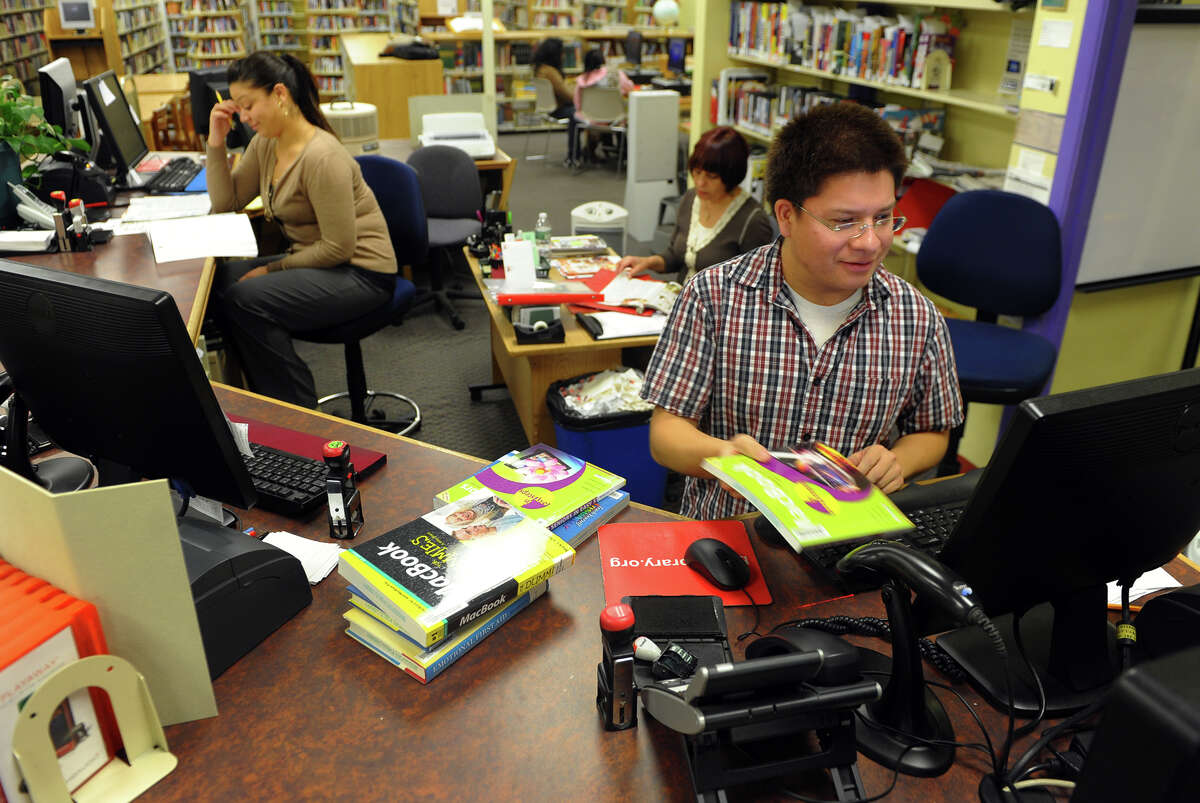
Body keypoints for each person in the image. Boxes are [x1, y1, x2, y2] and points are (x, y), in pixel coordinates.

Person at [640, 104, 964, 520]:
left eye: (883, 217)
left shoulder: (915, 317)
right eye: (845, 222)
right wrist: (722, 454)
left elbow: (933, 429)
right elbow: (666, 434)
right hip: (731, 529)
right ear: (787, 216)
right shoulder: (713, 296)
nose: (869, 242)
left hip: (850, 532)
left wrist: (897, 460)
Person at [206, 51, 397, 409]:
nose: (243, 117)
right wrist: (215, 143)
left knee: (246, 301)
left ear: (279, 94)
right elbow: (226, 202)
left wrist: (270, 269)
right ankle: (261, 400)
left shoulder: (322, 156)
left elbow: (338, 247)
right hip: (317, 261)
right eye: (238, 108)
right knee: (220, 281)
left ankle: (299, 414)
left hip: (363, 273)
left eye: (249, 106)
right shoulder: (267, 143)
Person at [618, 127, 774, 285]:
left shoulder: (752, 221)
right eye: (697, 172)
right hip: (682, 299)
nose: (700, 183)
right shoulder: (692, 198)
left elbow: (754, 289)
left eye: (711, 177)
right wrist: (646, 261)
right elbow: (675, 257)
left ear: (731, 176)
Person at [568, 48, 634, 168]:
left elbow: (577, 105)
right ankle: (623, 155)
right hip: (614, 119)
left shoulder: (582, 80)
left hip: (590, 119)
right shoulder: (615, 74)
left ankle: (573, 157)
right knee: (622, 117)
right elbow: (629, 88)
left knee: (573, 119)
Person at [531, 37, 574, 121]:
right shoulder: (551, 73)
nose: (564, 56)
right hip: (558, 110)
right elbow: (568, 96)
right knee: (587, 111)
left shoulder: (540, 69)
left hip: (549, 108)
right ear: (556, 55)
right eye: (562, 53)